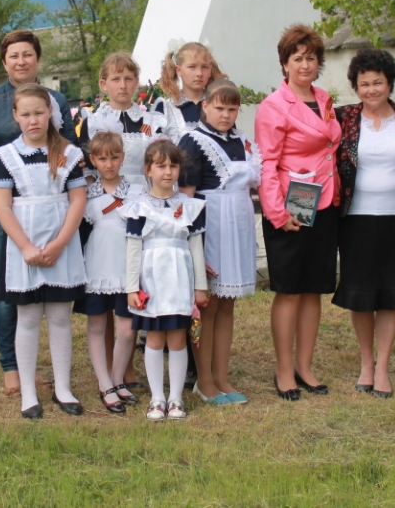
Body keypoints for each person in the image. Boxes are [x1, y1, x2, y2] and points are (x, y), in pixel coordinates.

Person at [0, 30, 77, 396]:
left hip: (49, 210)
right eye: (14, 55)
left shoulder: (57, 99)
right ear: (4, 61)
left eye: (28, 54)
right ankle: (11, 367)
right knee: (8, 290)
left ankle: (50, 372)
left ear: (38, 59)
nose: (21, 61)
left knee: (50, 292)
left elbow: (68, 150)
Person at [255, 24, 341, 401]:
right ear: (284, 63)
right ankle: (283, 369)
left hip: (325, 202)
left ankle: (305, 365)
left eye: (311, 58)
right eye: (297, 58)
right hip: (291, 205)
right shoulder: (274, 106)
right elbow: (267, 163)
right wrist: (276, 213)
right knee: (290, 291)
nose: (305, 64)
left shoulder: (324, 98)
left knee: (313, 291)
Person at [0, 83, 88, 419]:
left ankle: (63, 387)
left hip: (61, 242)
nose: (34, 120)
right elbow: (2, 206)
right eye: (26, 114)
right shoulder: (7, 156)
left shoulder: (68, 153)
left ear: (50, 113)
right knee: (29, 317)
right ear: (16, 116)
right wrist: (26, 247)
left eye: (39, 112)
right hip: (25, 246)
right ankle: (29, 393)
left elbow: (78, 199)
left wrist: (60, 243)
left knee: (61, 316)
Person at [333, 49, 395, 399]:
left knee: (389, 294)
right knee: (360, 294)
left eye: (378, 83)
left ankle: (383, 366)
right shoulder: (343, 118)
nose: (371, 90)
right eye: (364, 84)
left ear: (390, 83)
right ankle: (366, 362)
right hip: (355, 217)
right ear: (355, 86)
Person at [178, 79, 260, 406]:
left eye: (232, 108)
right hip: (209, 227)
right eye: (219, 107)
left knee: (227, 305)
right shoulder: (192, 141)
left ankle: (222, 376)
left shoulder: (243, 142)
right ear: (205, 106)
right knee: (206, 306)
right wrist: (192, 245)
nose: (225, 114)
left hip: (238, 225)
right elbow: (184, 200)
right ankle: (204, 379)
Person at [123, 139, 208, 421]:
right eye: (160, 166)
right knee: (155, 339)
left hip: (179, 279)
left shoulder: (190, 206)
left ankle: (176, 399)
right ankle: (157, 398)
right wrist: (131, 287)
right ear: (148, 169)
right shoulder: (138, 207)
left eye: (173, 165)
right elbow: (133, 248)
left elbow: (196, 247)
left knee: (178, 339)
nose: (167, 171)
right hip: (152, 280)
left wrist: (200, 287)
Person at [75, 131, 143, 414]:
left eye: (114, 157)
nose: (109, 163)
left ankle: (117, 379)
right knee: (97, 325)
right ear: (93, 159)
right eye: (102, 158)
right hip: (96, 266)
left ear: (122, 157)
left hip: (127, 267)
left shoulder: (136, 191)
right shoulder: (85, 193)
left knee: (127, 329)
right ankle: (104, 383)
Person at [79, 52, 167, 187]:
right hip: (105, 199)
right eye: (116, 79)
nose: (123, 85)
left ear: (136, 82)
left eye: (128, 79)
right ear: (103, 84)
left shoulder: (151, 122)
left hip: (144, 199)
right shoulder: (93, 123)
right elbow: (88, 171)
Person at [154, 41, 228, 141]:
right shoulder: (165, 108)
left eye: (204, 67)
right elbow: (154, 147)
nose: (199, 73)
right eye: (192, 67)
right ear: (178, 70)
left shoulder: (220, 105)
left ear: (210, 70)